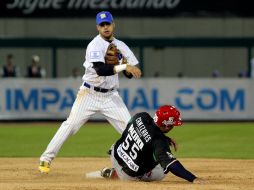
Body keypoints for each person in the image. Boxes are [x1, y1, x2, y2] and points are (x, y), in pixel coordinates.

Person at [38, 11, 142, 173]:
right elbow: (100, 70)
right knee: (70, 125)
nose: (105, 27)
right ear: (97, 27)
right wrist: (123, 66)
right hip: (89, 94)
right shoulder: (95, 45)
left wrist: (128, 67)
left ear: (113, 24)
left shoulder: (122, 46)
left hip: (111, 96)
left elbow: (128, 74)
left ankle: (126, 158)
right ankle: (46, 158)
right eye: (102, 25)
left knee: (131, 131)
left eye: (108, 24)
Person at [100, 105, 203, 183]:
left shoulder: (141, 116)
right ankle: (117, 175)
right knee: (163, 169)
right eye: (172, 125)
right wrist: (193, 179)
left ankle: (115, 168)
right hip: (127, 175)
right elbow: (171, 165)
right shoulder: (159, 141)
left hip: (115, 154)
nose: (173, 127)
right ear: (166, 126)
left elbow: (140, 132)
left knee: (131, 137)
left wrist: (164, 138)